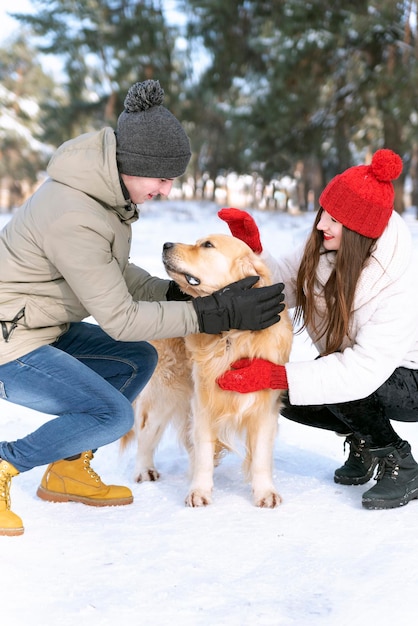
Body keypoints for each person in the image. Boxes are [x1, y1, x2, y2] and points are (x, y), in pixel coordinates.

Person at [0, 79, 285, 536]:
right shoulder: (74, 213)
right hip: (10, 345)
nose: (167, 190)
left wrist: (175, 293)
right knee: (112, 414)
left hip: (41, 329)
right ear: (135, 164)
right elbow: (120, 317)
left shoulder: (103, 200)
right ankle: (5, 462)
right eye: (163, 178)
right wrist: (214, 314)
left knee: (139, 359)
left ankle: (68, 469)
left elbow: (116, 271)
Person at [218, 148, 418, 510]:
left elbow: (361, 370)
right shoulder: (326, 247)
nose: (322, 224)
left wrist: (275, 373)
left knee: (337, 382)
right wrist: (251, 252)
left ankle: (399, 461)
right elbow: (285, 284)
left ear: (359, 231)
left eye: (335, 219)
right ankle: (363, 438)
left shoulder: (398, 282)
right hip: (360, 369)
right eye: (325, 212)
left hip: (410, 381)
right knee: (286, 397)